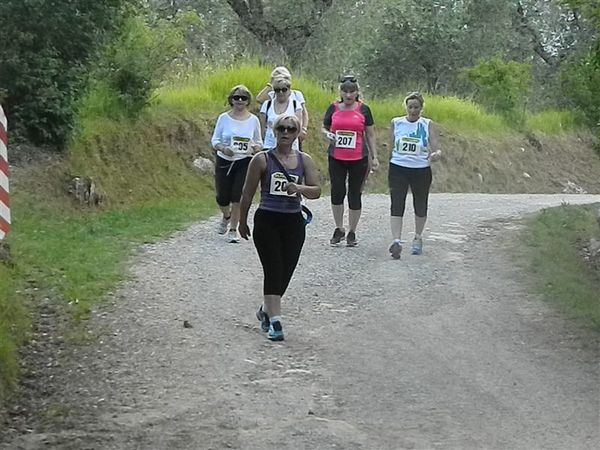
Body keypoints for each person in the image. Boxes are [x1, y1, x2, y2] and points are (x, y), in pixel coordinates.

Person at [239, 114, 321, 341]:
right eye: (282, 129)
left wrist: (299, 188)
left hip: (293, 221)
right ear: (274, 132)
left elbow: (316, 191)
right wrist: (242, 220)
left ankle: (266, 309)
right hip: (267, 219)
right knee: (273, 268)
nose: (286, 133)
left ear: (297, 134)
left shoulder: (305, 160)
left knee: (286, 271)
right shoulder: (262, 159)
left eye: (291, 129)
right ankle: (276, 322)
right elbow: (247, 192)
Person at [321, 75, 379, 247]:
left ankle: (352, 231)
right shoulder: (333, 108)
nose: (348, 95)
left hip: (358, 158)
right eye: (345, 92)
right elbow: (323, 127)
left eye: (351, 92)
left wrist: (374, 157)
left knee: (354, 194)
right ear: (340, 92)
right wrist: (327, 134)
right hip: (336, 157)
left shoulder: (364, 110)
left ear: (357, 93)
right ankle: (339, 228)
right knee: (337, 191)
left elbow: (370, 134)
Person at [388, 92, 442, 259]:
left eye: (416, 108)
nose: (413, 111)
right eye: (410, 107)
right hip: (398, 167)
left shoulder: (427, 124)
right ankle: (396, 240)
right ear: (406, 107)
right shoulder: (396, 122)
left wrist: (436, 154)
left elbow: (436, 147)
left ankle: (418, 237)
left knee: (420, 204)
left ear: (421, 108)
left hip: (420, 169)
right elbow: (391, 145)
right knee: (397, 203)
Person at [211, 85, 263, 243]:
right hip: (225, 161)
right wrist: (223, 148)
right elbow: (215, 140)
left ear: (248, 101)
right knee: (222, 196)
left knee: (237, 196)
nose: (240, 101)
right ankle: (226, 216)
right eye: (236, 98)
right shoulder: (223, 118)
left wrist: (255, 148)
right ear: (231, 100)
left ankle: (233, 229)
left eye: (243, 98)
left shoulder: (253, 120)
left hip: (244, 161)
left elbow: (259, 142)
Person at [256, 66, 309, 144]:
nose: (281, 92)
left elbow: (304, 113)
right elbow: (259, 99)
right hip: (271, 140)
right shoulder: (272, 95)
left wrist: (304, 128)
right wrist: (271, 84)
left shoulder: (296, 94)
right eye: (278, 90)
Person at [259, 76, 303, 152]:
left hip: (290, 148)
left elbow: (298, 128)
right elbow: (262, 129)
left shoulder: (296, 105)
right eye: (277, 90)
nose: (281, 92)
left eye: (284, 89)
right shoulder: (267, 105)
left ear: (289, 91)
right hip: (269, 146)